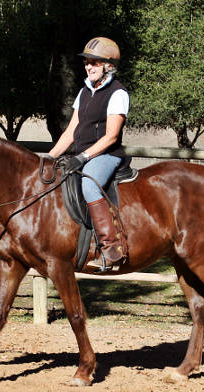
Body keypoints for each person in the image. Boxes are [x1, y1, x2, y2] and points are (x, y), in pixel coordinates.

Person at [49, 37, 129, 269]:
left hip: (107, 155)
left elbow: (111, 136)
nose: (89, 66)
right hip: (81, 154)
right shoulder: (84, 91)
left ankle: (109, 249)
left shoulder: (118, 93)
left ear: (109, 65)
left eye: (95, 62)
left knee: (89, 185)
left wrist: (83, 157)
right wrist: (49, 158)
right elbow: (71, 131)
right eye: (87, 62)